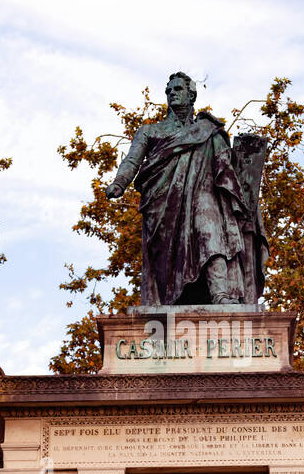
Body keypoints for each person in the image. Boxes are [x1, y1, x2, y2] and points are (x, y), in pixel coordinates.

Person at [105, 72, 268, 306]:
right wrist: (120, 183)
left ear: (191, 95)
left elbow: (226, 168)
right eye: (169, 90)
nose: (172, 93)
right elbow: (132, 160)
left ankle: (220, 294)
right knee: (169, 260)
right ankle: (173, 300)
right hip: (163, 203)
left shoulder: (208, 129)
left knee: (211, 230)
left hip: (204, 191)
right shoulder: (150, 131)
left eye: (177, 89)